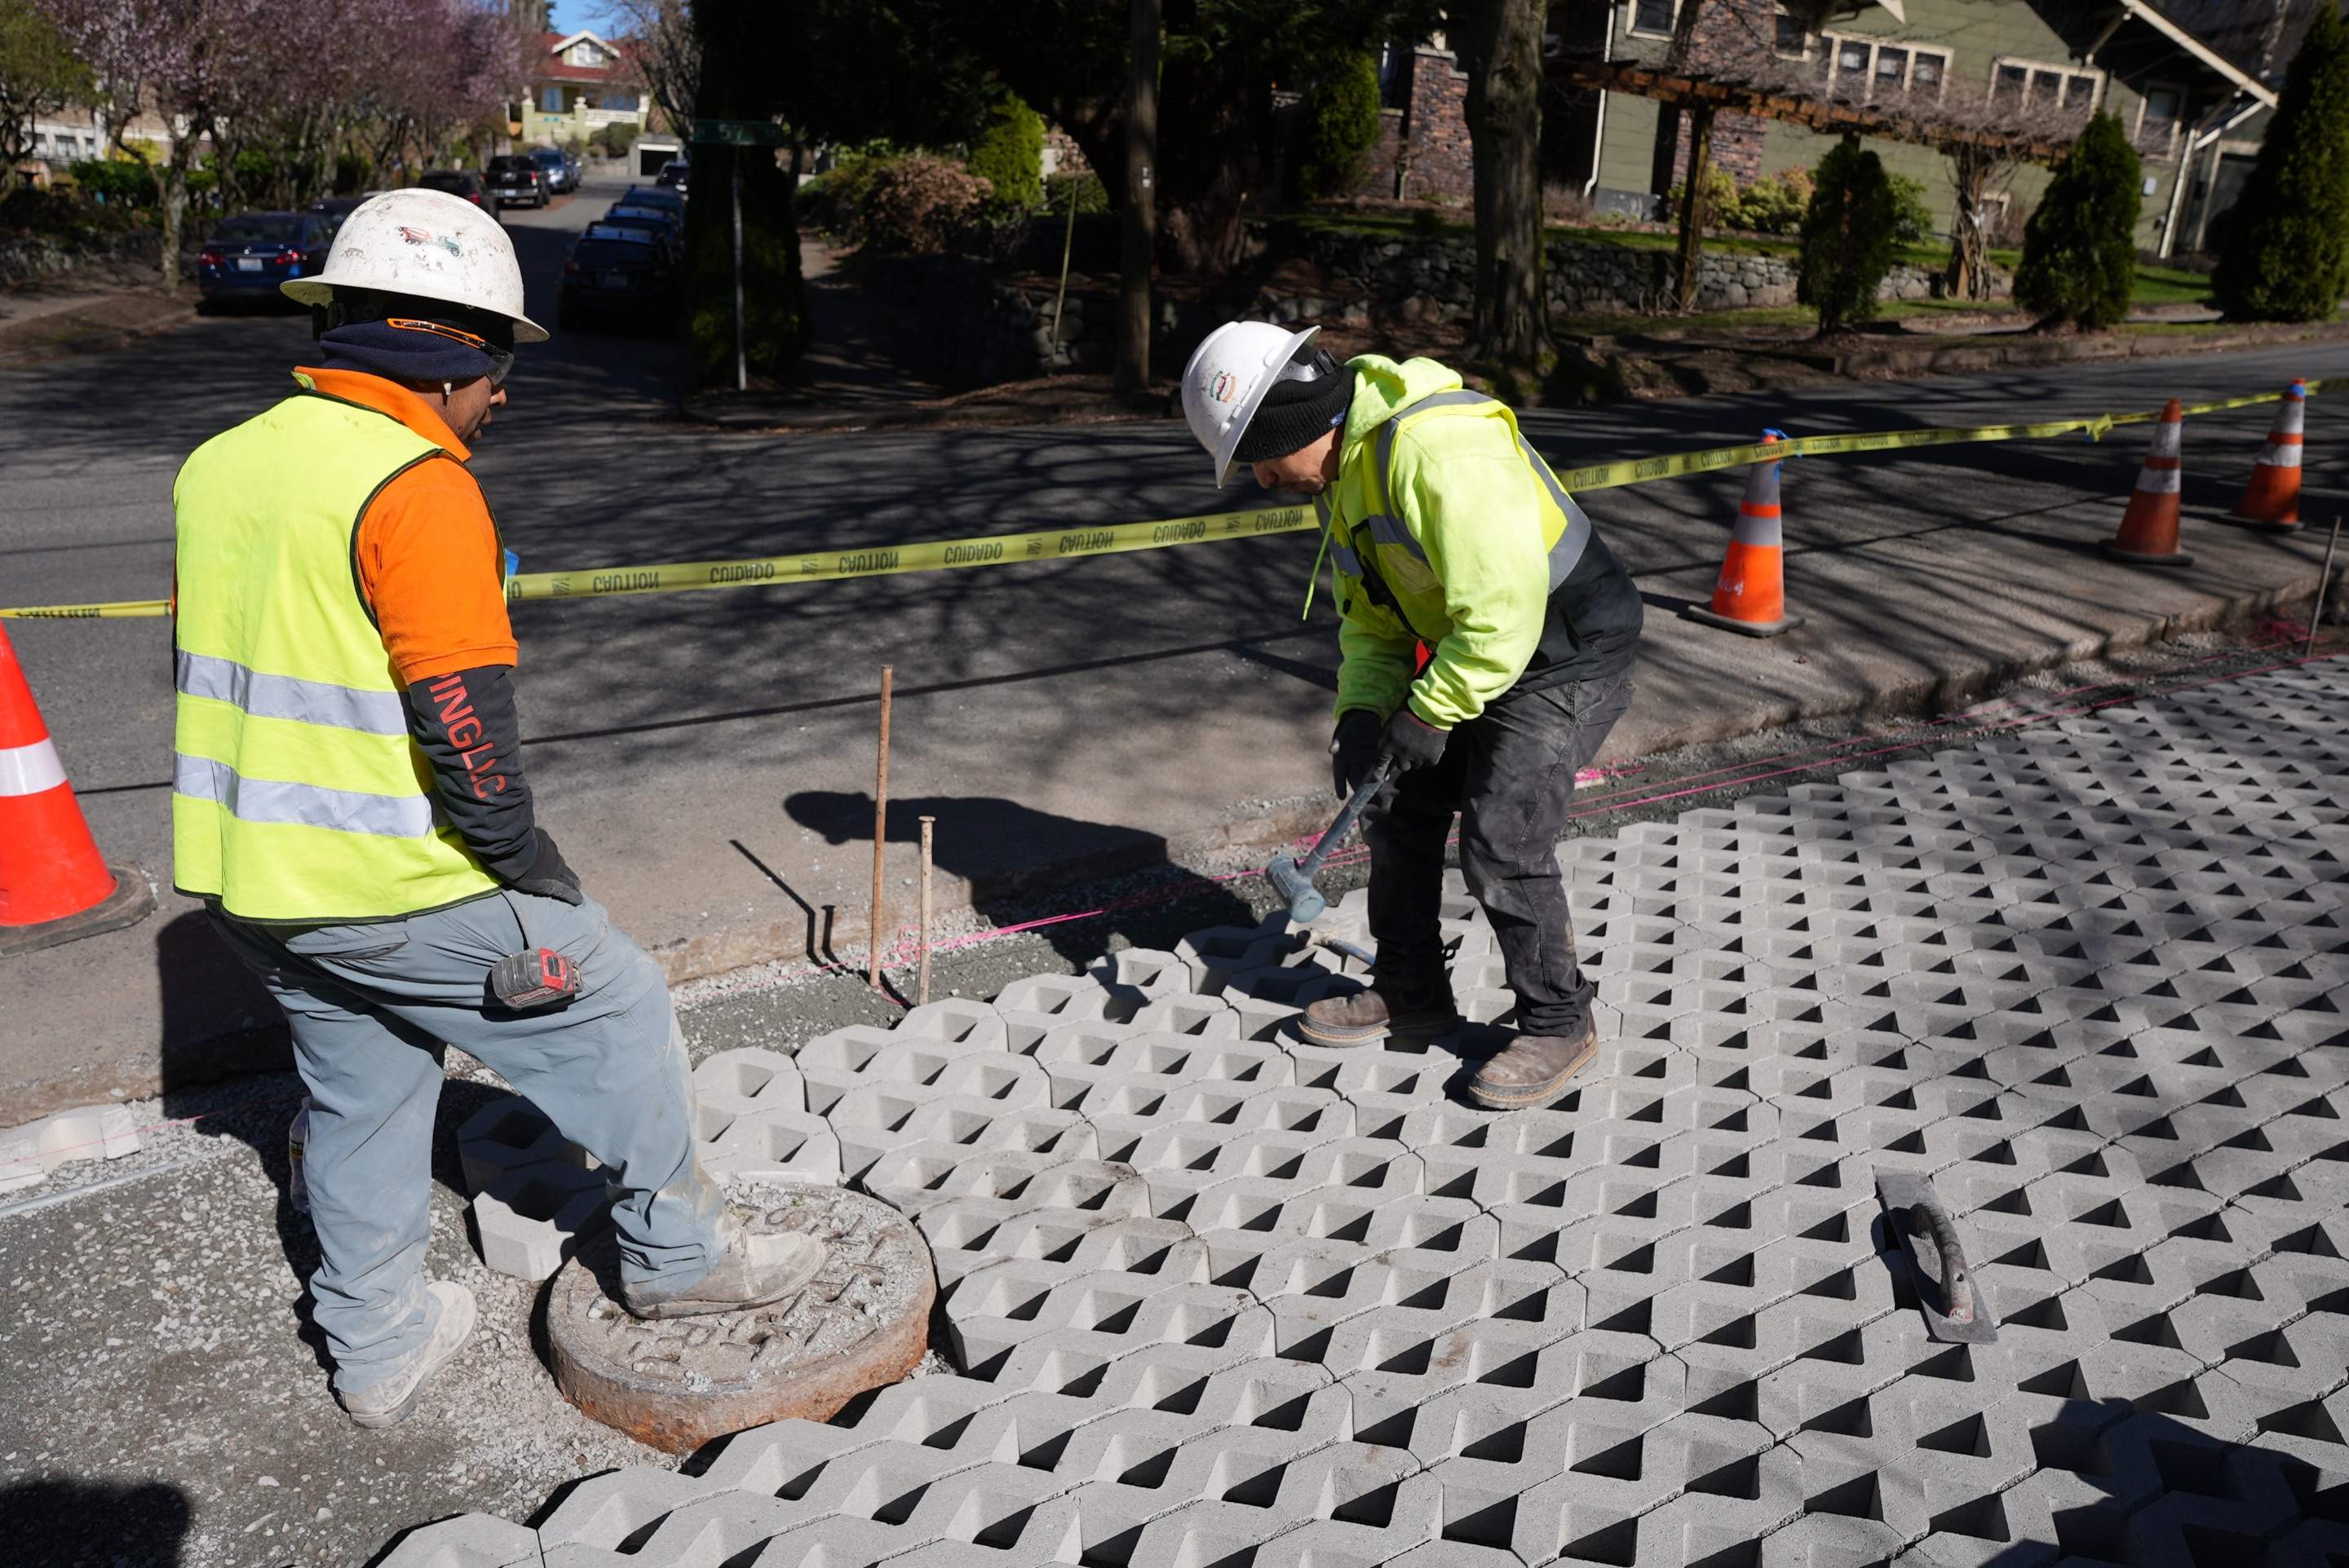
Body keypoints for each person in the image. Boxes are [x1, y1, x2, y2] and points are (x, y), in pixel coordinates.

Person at [171, 188, 825, 1429]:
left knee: (366, 1090)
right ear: (449, 351)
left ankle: (376, 1350)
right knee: (619, 996)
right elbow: (465, 731)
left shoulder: (223, 463)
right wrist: (530, 869)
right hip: (392, 882)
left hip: (250, 882)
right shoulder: (418, 485)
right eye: (500, 367)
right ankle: (682, 1262)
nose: (505, 396)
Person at [1181, 321, 1644, 1111]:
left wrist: (1428, 712)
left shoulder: (1436, 451)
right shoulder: (1349, 476)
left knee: (1503, 831)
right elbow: (1375, 619)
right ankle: (1412, 994)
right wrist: (1363, 713)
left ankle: (1560, 1020)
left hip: (1566, 644)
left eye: (1257, 458)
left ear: (1291, 426)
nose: (1260, 480)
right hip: (1484, 647)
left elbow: (1503, 613)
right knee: (1393, 797)